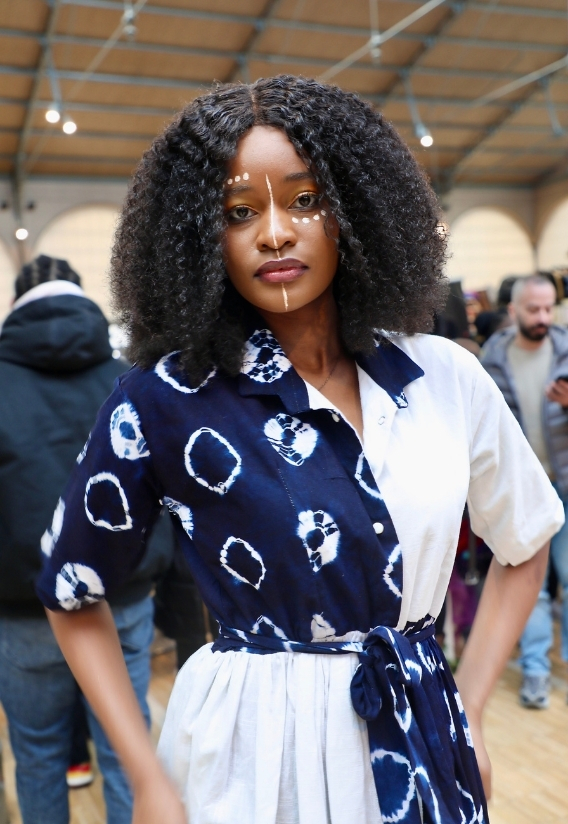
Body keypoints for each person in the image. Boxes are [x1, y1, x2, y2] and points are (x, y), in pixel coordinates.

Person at [35, 76, 562, 824]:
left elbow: (525, 538)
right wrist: (146, 774)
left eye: (306, 200)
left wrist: (469, 705)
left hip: (418, 734)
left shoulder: (445, 377)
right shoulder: (165, 400)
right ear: (197, 235)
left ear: (356, 210)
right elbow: (71, 586)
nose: (275, 232)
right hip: (251, 753)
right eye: (238, 212)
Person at [0, 255, 173, 824]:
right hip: (119, 596)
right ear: (78, 295)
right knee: (128, 755)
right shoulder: (127, 376)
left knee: (39, 755)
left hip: (21, 609)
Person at [481, 274, 568, 709]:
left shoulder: (566, 351)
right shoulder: (491, 361)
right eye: (533, 309)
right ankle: (535, 669)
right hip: (523, 490)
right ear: (513, 310)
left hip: (567, 482)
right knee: (530, 583)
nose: (543, 317)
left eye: (549, 308)